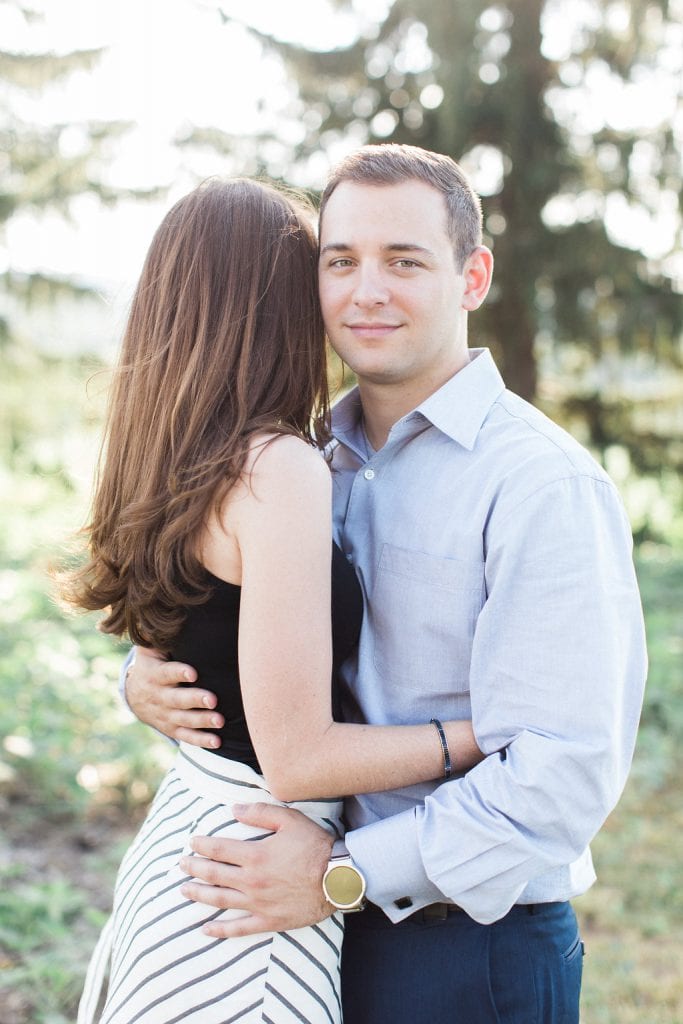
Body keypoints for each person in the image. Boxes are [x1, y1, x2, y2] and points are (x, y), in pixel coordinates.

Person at [126, 144, 648, 1024]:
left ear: (471, 275)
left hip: (462, 948)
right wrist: (146, 675)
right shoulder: (299, 458)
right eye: (340, 262)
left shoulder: (540, 484)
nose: (367, 291)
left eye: (404, 261)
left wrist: (344, 874)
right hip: (300, 926)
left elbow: (563, 775)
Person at [66, 176, 487, 1024]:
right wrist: (480, 736)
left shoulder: (178, 458)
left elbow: (197, 637)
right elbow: (296, 755)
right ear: (275, 306)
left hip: (193, 841)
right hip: (252, 876)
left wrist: (133, 679)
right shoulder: (277, 468)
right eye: (321, 274)